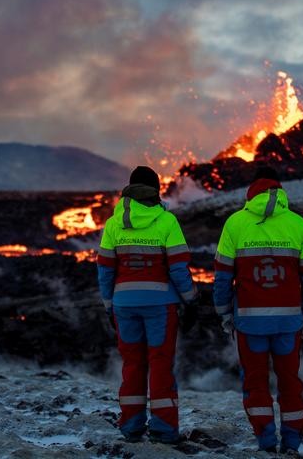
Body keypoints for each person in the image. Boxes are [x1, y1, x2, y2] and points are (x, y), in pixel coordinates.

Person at [213, 166, 303, 455]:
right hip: (289, 324)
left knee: (256, 383)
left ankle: (266, 440)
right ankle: (292, 443)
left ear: (252, 190)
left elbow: (222, 277)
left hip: (249, 324)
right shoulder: (298, 224)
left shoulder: (235, 223)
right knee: (290, 383)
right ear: (280, 189)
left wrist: (224, 313)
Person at [97, 165, 198, 443]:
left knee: (132, 364)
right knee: (160, 365)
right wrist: (191, 300)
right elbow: (179, 268)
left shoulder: (114, 223)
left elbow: (105, 270)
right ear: (155, 191)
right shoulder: (166, 222)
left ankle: (131, 426)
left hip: (123, 306)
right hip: (160, 307)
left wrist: (109, 305)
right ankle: (164, 430)